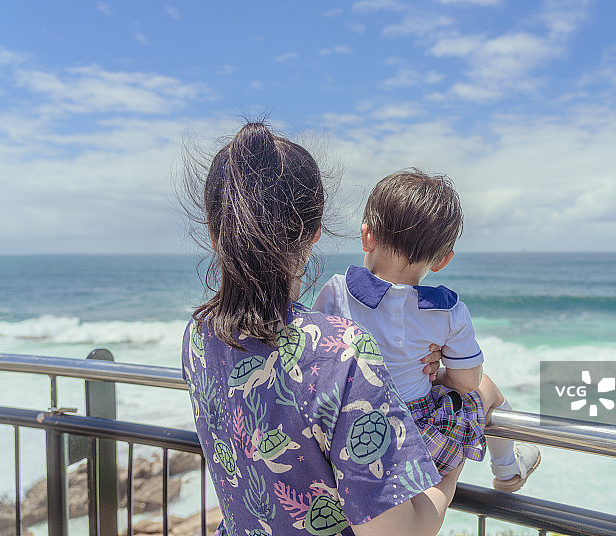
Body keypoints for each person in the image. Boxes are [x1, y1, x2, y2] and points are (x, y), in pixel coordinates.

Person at [181, 123, 462, 536]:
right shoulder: (344, 354)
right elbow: (400, 532)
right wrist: (449, 468)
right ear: (314, 233)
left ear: (213, 231)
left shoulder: (199, 335)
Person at [314, 169, 541, 492]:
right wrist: (437, 375)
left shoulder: (337, 292)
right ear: (443, 260)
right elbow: (465, 381)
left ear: (367, 235)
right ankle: (507, 468)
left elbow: (317, 361)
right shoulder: (447, 311)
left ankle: (508, 466)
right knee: (484, 386)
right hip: (417, 446)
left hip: (350, 439)